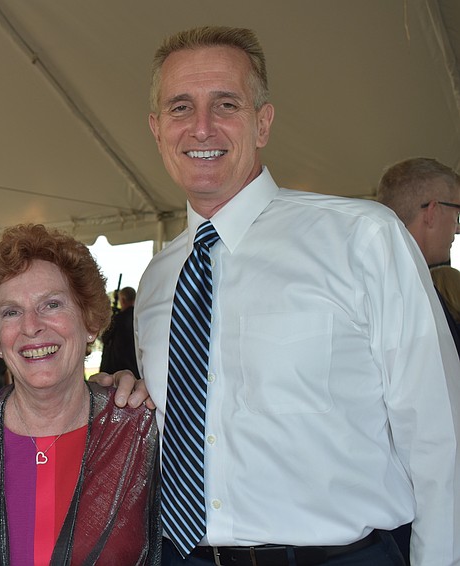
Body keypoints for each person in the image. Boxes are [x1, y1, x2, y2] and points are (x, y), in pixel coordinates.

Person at [139, 26, 460, 565]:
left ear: (262, 122)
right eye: (179, 107)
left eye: (226, 103)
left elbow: (439, 434)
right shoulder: (158, 279)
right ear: (156, 128)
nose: (201, 127)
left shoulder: (362, 238)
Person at [0, 224, 161, 564]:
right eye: (11, 311)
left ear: (90, 322)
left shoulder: (140, 429)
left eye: (52, 305)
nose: (31, 326)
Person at [377, 156, 460, 358]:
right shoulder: (405, 292)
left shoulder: (388, 277)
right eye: (456, 215)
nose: (457, 229)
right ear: (432, 212)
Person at [99, 286, 140, 376]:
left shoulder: (118, 320)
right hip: (136, 370)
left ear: (123, 300)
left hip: (116, 371)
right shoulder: (140, 319)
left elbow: (105, 338)